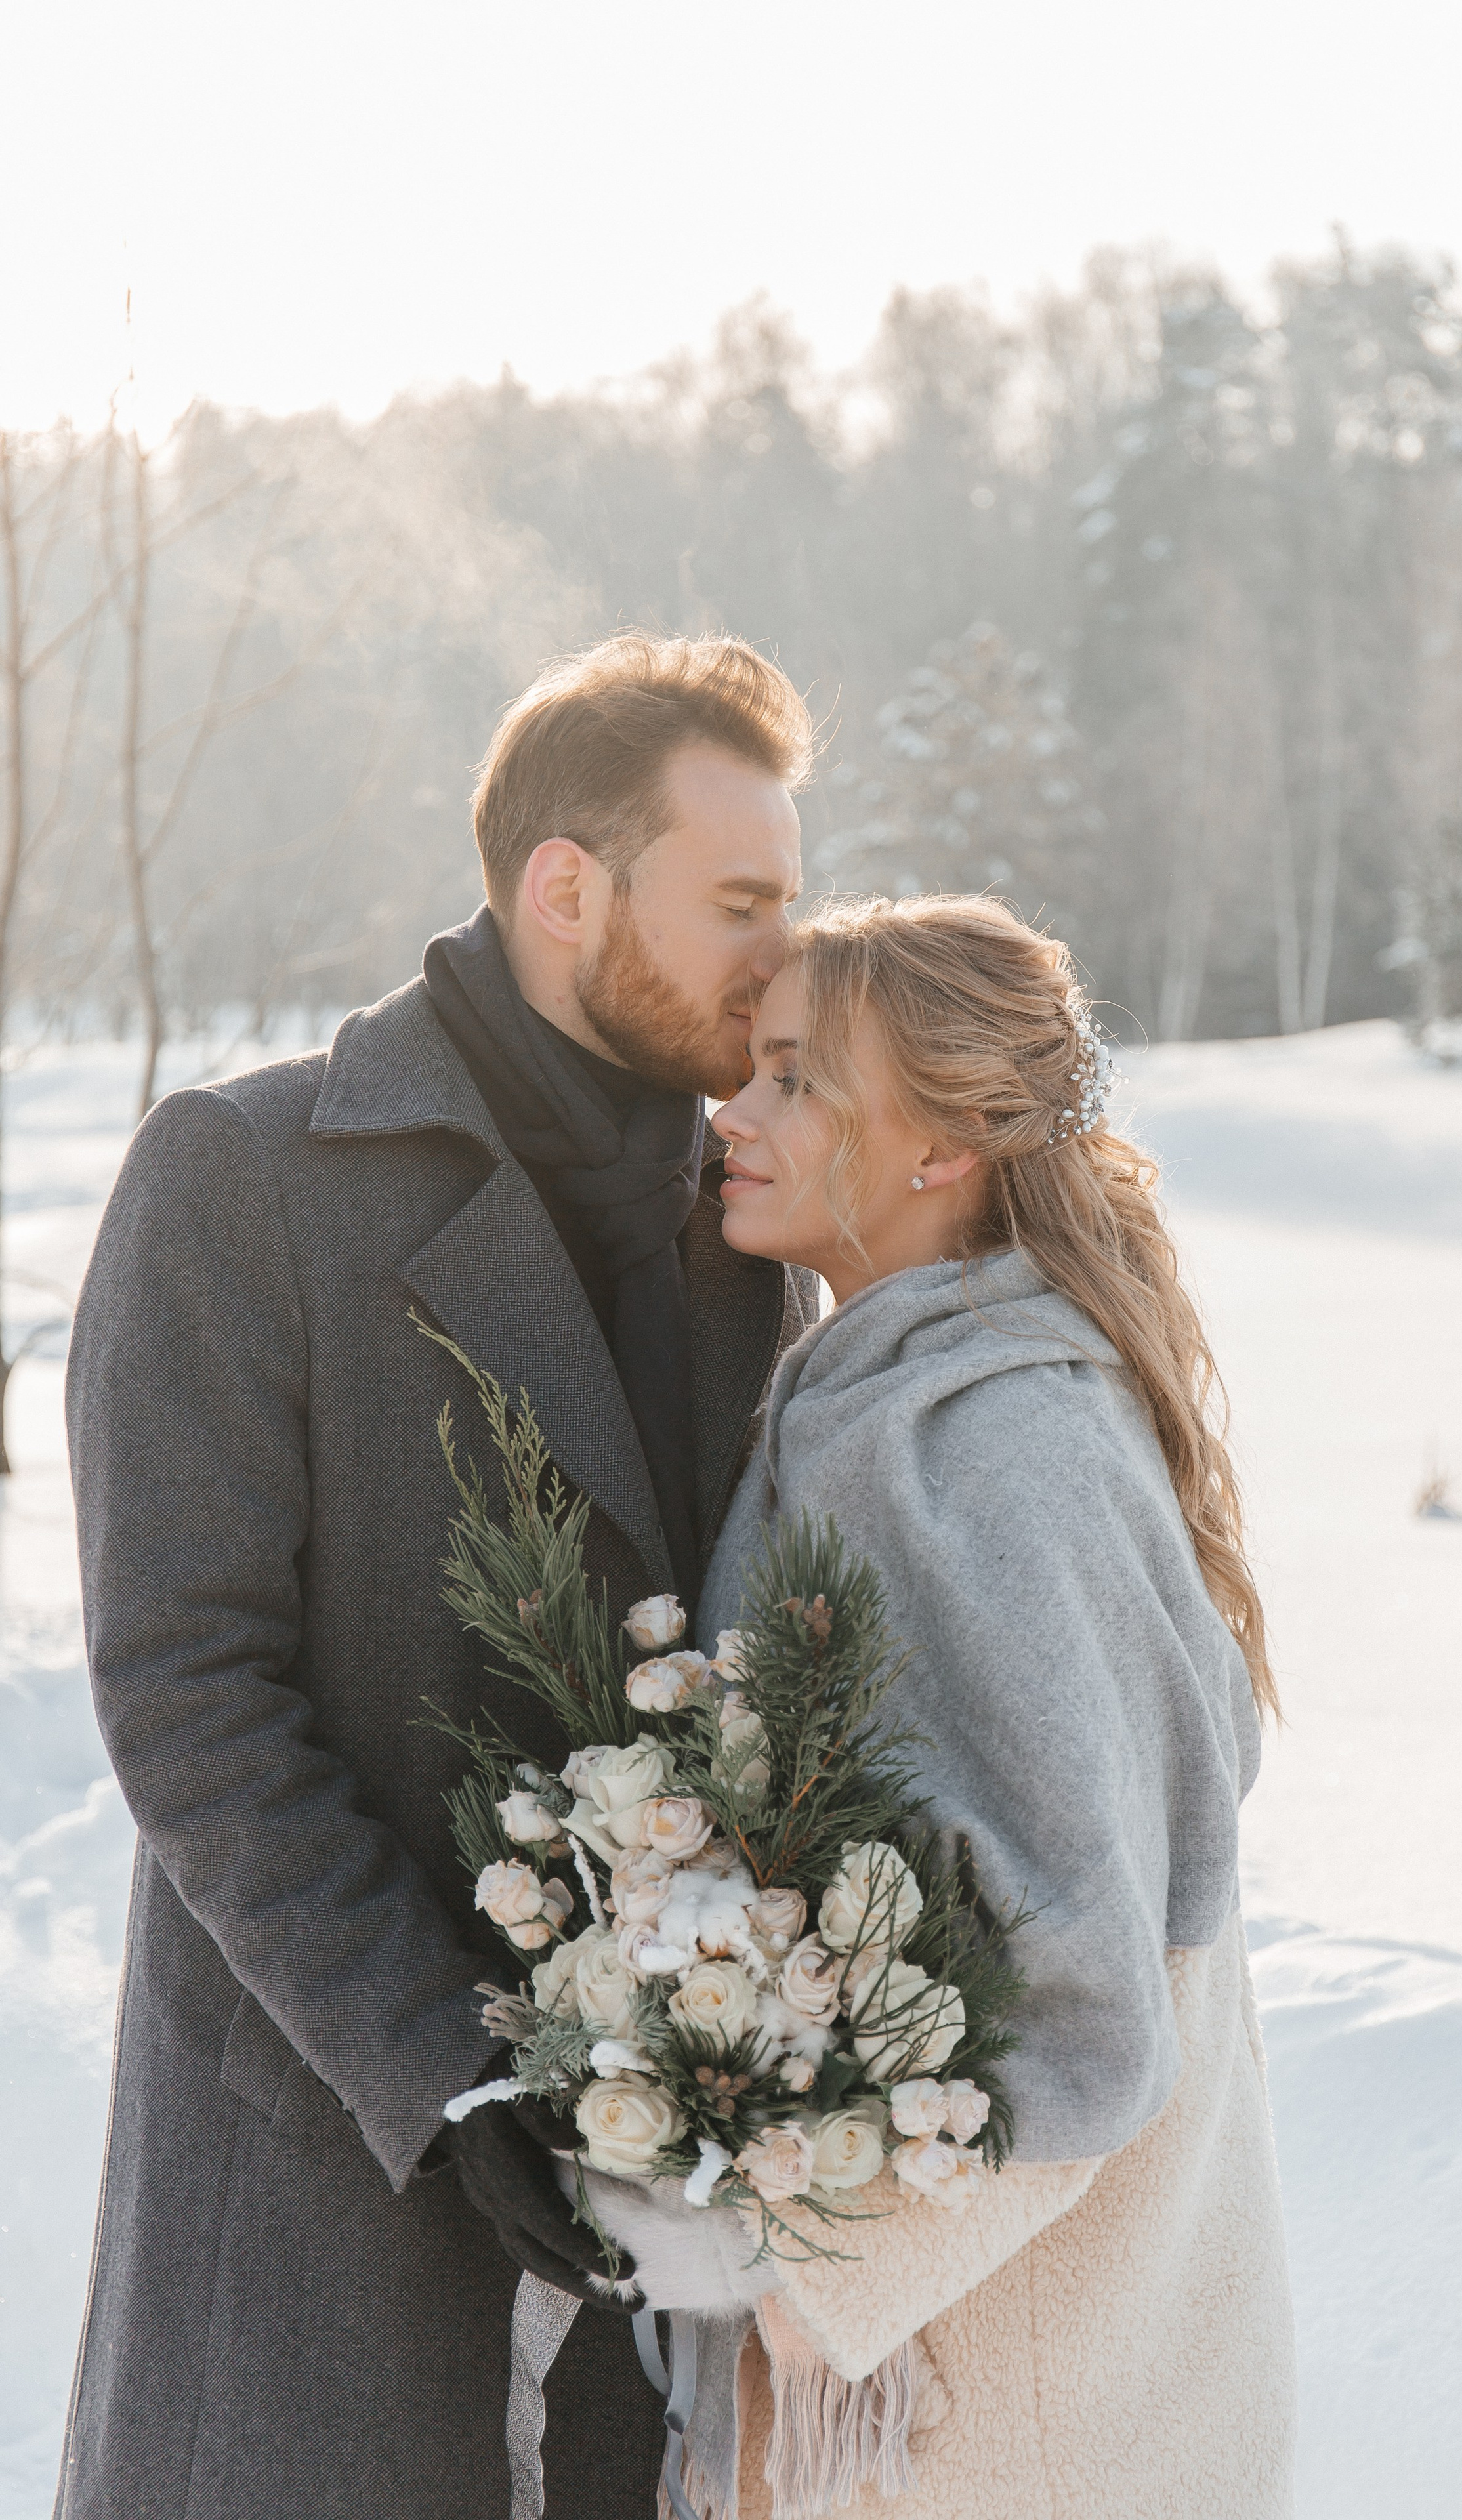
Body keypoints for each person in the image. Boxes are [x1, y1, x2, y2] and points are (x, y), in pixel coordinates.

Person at [58, 634, 818, 2520]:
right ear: (568, 888)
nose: (784, 959)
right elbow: (188, 1698)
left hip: (653, 2251)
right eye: (742, 904)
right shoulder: (245, 1176)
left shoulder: (750, 1227)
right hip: (323, 2180)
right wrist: (456, 2073)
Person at [686, 892, 1296, 2519]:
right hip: (966, 2387)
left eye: (797, 1081)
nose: (734, 1116)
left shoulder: (1001, 1455)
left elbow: (1088, 1996)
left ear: (940, 1147)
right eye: (749, 1070)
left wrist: (802, 2264)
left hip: (1024, 2417)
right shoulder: (886, 1393)